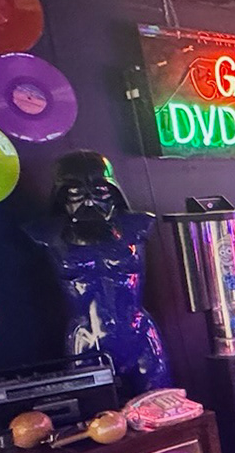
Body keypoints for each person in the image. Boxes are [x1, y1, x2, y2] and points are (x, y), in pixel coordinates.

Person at [26, 151, 170, 396]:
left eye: (99, 191)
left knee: (164, 407)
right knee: (94, 411)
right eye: (76, 192)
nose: (89, 202)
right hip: (86, 338)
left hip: (138, 332)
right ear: (61, 194)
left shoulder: (137, 226)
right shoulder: (46, 234)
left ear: (113, 191)